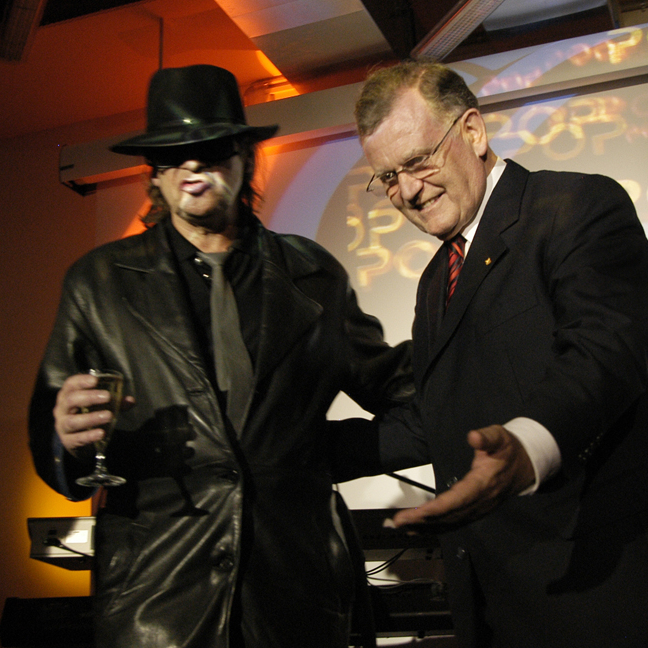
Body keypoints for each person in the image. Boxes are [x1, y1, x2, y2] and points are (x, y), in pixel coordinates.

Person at [333, 61, 648, 647]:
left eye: (418, 161)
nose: (409, 191)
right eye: (388, 178)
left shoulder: (576, 207)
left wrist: (528, 446)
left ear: (472, 132)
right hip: (507, 607)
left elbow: (604, 354)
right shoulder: (435, 279)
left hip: (617, 600)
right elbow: (436, 417)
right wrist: (284, 456)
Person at [28, 64, 412, 648]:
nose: (192, 165)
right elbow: (56, 444)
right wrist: (65, 438)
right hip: (156, 598)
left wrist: (319, 457)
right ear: (153, 174)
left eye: (209, 148)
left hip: (295, 591)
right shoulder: (98, 284)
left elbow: (401, 390)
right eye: (171, 153)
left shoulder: (312, 276)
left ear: (244, 157)